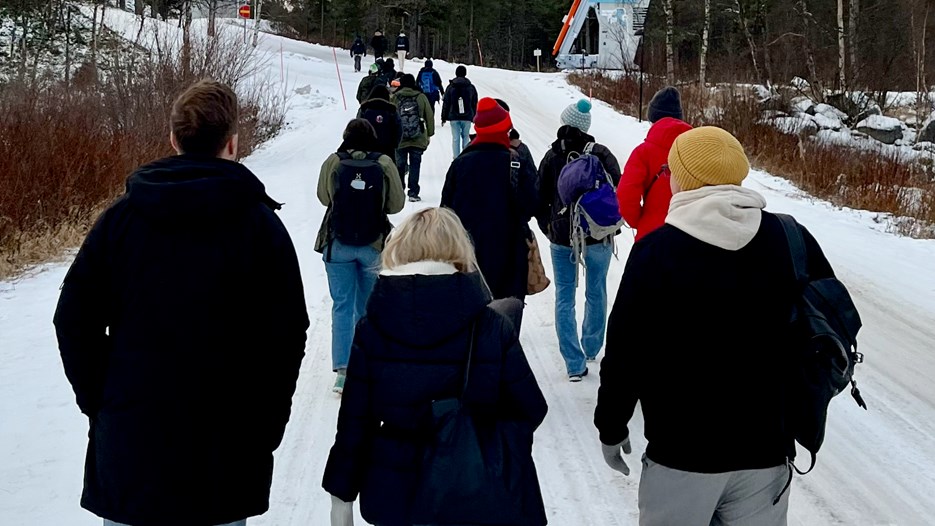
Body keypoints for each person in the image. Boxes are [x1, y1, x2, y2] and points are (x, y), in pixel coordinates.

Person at [53, 80, 309, 526]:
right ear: (232, 143)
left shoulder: (120, 221)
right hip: (223, 455)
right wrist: (265, 425)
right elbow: (285, 339)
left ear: (173, 139)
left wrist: (104, 402)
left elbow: (74, 320)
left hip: (135, 449)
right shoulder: (260, 228)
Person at [595, 126, 837, 525]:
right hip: (767, 452)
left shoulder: (657, 251)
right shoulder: (792, 239)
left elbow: (625, 353)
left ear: (681, 179)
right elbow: (821, 332)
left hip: (680, 455)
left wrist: (611, 425)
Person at [322, 207, 548, 526]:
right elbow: (530, 409)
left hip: (397, 492)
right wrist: (485, 444)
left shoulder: (372, 330)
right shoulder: (492, 326)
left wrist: (341, 495)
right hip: (472, 490)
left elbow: (355, 423)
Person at [316, 119, 406, 393]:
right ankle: (368, 365)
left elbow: (323, 198)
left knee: (341, 305)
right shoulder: (384, 162)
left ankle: (343, 372)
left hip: (338, 243)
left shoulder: (334, 161)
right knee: (367, 307)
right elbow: (396, 204)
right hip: (373, 244)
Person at [536, 99, 621, 381]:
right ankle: (592, 347)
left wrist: (549, 227)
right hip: (597, 234)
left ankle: (573, 364)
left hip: (562, 236)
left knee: (564, 296)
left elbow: (540, 198)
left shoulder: (551, 156)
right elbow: (618, 189)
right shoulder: (601, 153)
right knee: (596, 290)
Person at [441, 97, 537, 329]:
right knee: (506, 325)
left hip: (468, 255)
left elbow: (445, 212)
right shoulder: (516, 162)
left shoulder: (460, 164)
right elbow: (532, 205)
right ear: (505, 128)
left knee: (471, 322)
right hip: (510, 254)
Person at [616, 87, 692, 241]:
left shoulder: (643, 153)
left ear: (653, 119)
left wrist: (641, 221)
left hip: (652, 236)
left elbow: (626, 196)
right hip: (693, 234)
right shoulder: (698, 148)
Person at [393, 74, 434, 202]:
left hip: (400, 138)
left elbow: (391, 116)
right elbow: (429, 116)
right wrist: (429, 134)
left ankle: (400, 190)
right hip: (418, 136)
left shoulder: (395, 97)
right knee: (415, 164)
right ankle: (413, 192)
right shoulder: (421, 97)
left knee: (400, 164)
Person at [442, 65, 478, 158]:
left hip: (454, 116)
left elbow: (446, 102)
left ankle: (456, 157)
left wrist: (444, 117)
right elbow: (474, 103)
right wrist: (475, 116)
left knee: (455, 138)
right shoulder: (471, 87)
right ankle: (465, 156)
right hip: (467, 116)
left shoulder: (451, 87)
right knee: (466, 136)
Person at [357, 84, 402, 159]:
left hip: (367, 149)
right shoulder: (392, 109)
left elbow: (357, 126)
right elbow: (398, 128)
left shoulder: (364, 108)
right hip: (387, 149)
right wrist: (395, 144)